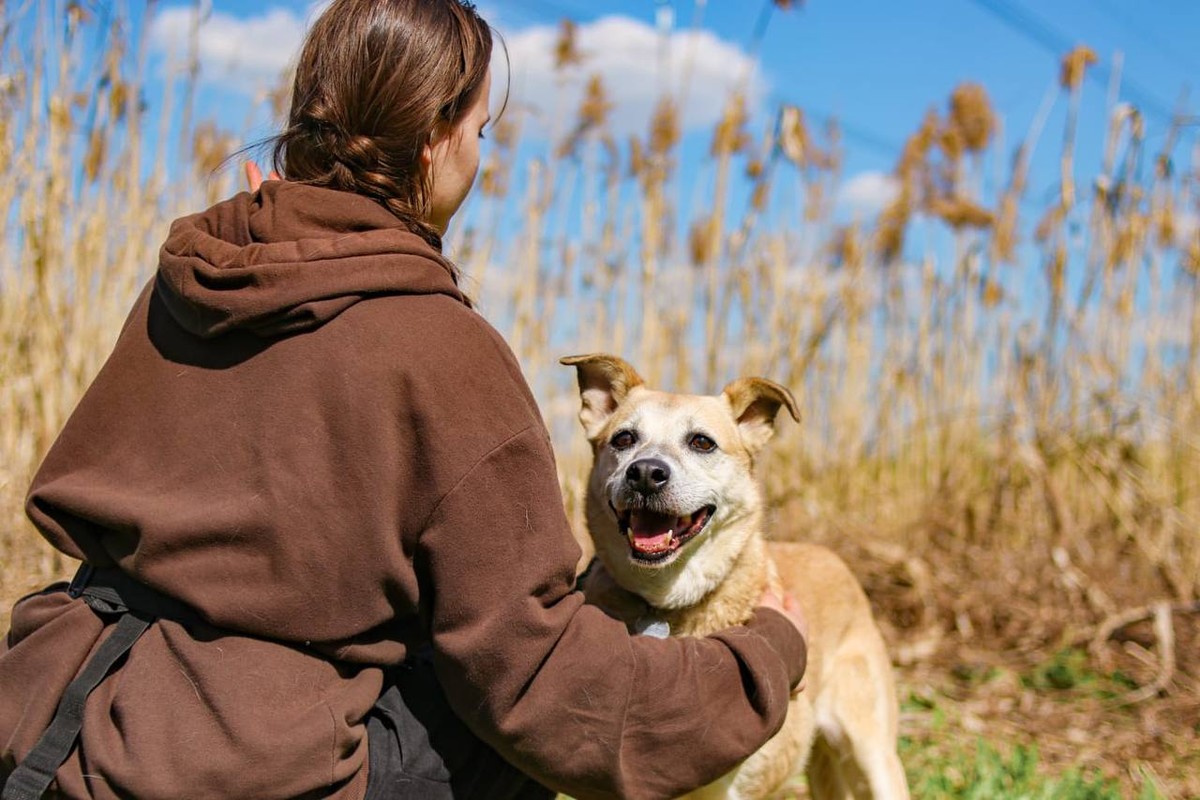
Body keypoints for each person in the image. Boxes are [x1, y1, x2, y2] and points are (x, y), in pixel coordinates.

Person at [0, 1, 808, 798]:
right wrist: (766, 653)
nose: (479, 157)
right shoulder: (442, 347)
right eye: (480, 132)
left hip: (58, 712)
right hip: (241, 762)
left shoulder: (188, 282)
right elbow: (544, 688)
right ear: (433, 141)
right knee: (502, 748)